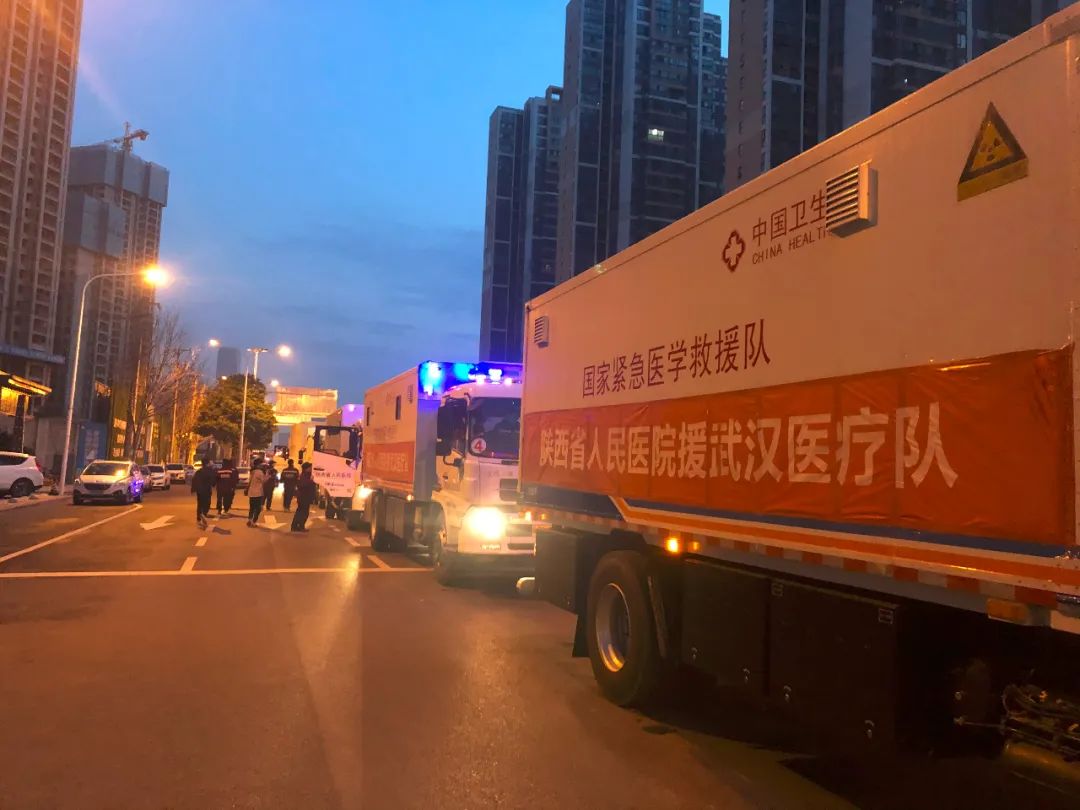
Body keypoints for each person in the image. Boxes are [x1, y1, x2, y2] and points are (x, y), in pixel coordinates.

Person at [291, 462, 317, 532]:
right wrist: (311, 480)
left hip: (305, 497)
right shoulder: (304, 475)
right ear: (306, 468)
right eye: (310, 467)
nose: (311, 468)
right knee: (303, 513)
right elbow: (302, 485)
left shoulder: (306, 475)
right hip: (304, 497)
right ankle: (300, 526)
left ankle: (295, 526)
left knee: (300, 512)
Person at [190, 463, 216, 529]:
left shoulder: (198, 472)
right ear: (207, 464)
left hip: (199, 491)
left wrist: (193, 489)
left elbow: (194, 480)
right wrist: (213, 484)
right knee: (207, 503)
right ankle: (203, 514)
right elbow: (213, 480)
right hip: (207, 490)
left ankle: (198, 519)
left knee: (199, 504)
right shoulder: (209, 472)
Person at [246, 463, 267, 527]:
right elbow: (264, 481)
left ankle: (250, 520)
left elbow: (249, 482)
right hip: (258, 493)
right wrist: (268, 476)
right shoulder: (260, 472)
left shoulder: (252, 472)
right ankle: (253, 521)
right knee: (258, 508)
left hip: (251, 492)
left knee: (252, 507)